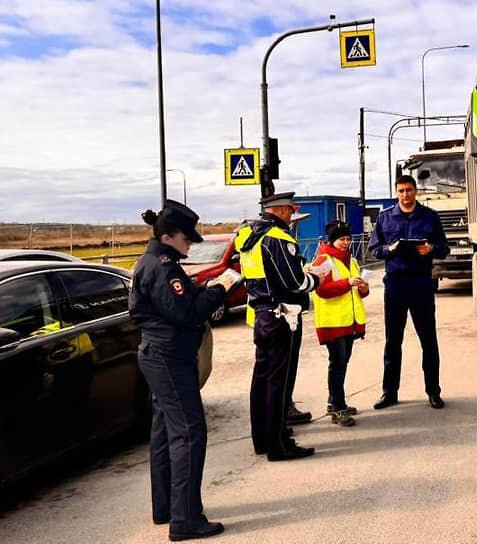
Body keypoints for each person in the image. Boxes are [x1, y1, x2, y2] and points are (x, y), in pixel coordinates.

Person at [129, 200, 233, 541]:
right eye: (186, 238)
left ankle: (167, 508)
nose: (190, 243)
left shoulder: (156, 262)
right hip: (170, 359)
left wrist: (204, 290)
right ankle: (186, 519)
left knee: (164, 432)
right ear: (169, 236)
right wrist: (222, 289)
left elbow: (176, 304)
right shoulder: (163, 267)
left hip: (160, 355)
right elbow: (186, 312)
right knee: (189, 433)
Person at [235, 192, 321, 461]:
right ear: (282, 210)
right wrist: (317, 278)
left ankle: (261, 438)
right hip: (283, 315)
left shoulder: (247, 235)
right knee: (279, 384)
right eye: (291, 210)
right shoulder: (278, 237)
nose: (293, 215)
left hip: (261, 315)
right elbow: (295, 282)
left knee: (262, 379)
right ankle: (279, 443)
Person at [368, 175, 450, 410]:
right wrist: (389, 249)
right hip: (395, 284)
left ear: (416, 191)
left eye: (409, 190)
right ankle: (389, 393)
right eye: (401, 191)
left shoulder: (430, 217)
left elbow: (444, 248)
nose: (405, 194)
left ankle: (433, 392)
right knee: (393, 342)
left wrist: (431, 248)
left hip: (421, 283)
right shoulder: (385, 219)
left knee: (428, 340)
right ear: (396, 192)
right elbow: (374, 250)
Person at [310, 221, 370, 426]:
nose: (345, 243)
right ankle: (338, 407)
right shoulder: (323, 261)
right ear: (332, 240)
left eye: (348, 239)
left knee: (342, 363)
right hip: (333, 322)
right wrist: (347, 283)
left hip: (348, 321)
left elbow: (359, 292)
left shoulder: (350, 260)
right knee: (338, 364)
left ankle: (334, 402)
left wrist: (363, 287)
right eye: (341, 239)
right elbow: (321, 290)